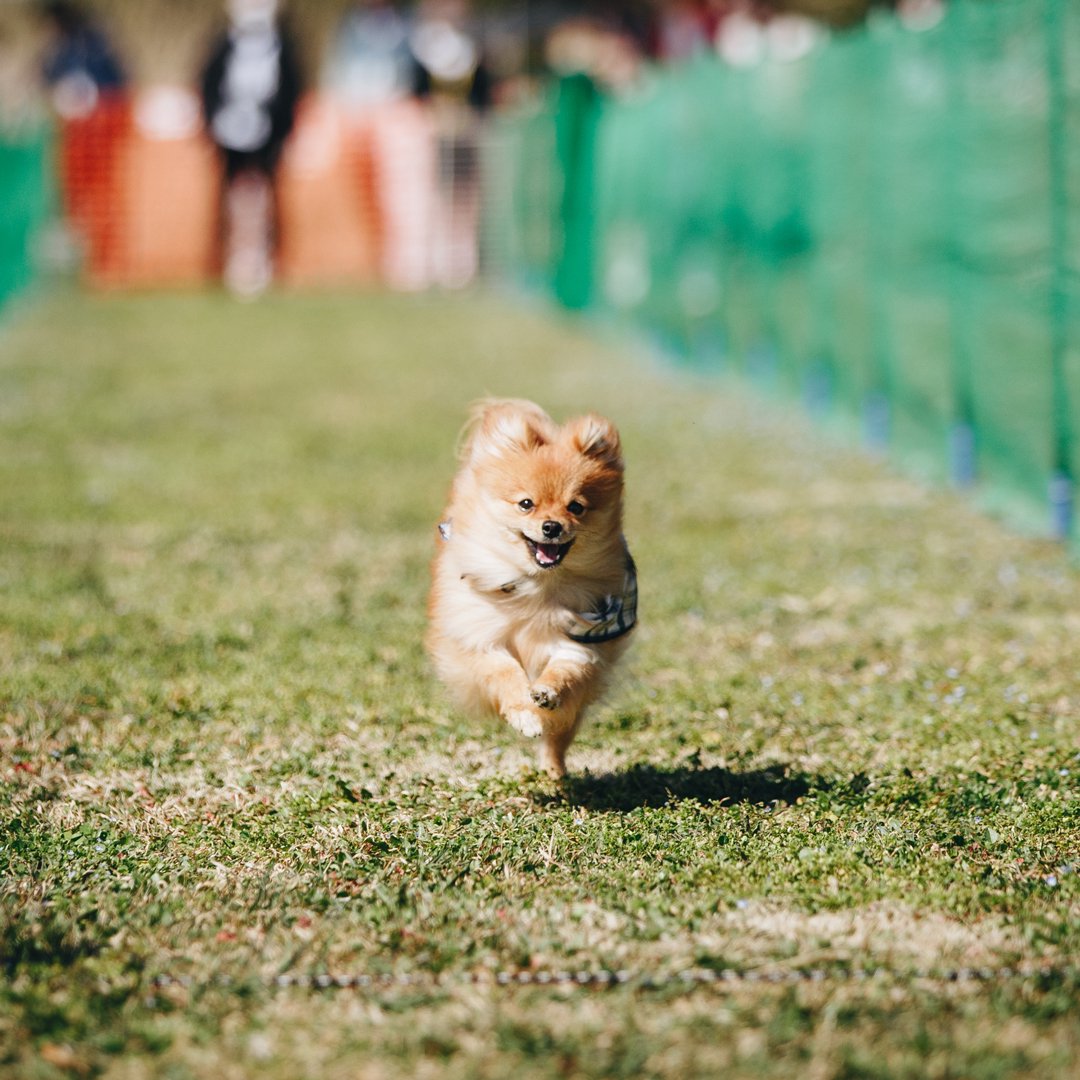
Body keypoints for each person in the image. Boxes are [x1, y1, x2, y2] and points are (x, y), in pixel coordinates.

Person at [200, 0, 301, 296]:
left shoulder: (283, 45)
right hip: (230, 135)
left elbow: (290, 91)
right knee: (235, 195)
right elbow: (208, 86)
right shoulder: (222, 44)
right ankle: (237, 259)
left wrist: (281, 131)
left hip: (268, 135)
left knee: (261, 195)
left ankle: (261, 258)